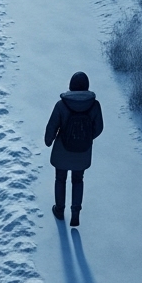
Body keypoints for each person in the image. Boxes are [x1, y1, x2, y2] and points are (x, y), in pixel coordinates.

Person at [44, 71, 103, 227]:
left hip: (62, 149)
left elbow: (52, 126)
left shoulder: (61, 105)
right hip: (82, 151)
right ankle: (75, 212)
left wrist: (49, 141)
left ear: (71, 86)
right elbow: (99, 128)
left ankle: (59, 209)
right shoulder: (94, 105)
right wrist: (86, 139)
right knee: (78, 180)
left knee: (60, 178)